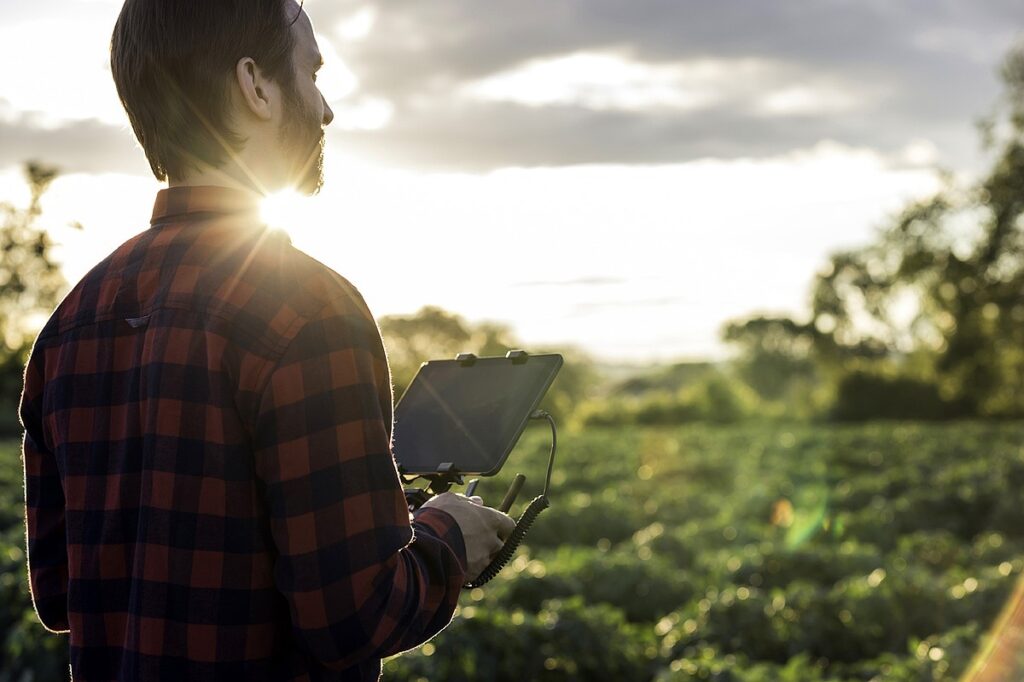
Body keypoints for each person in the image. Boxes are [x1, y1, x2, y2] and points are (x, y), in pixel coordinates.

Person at [19, 1, 515, 680]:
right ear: (256, 86)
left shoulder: (71, 322)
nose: (326, 109)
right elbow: (355, 617)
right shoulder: (309, 309)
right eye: (312, 72)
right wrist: (449, 533)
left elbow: (59, 594)